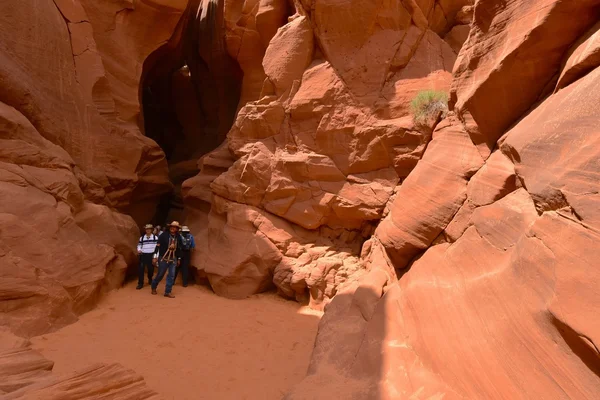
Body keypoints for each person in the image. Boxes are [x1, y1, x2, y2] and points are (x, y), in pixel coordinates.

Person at [151, 221, 183, 298]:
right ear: (169, 227)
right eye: (172, 226)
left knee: (171, 275)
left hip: (173, 258)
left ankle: (167, 292)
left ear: (177, 229)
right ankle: (154, 286)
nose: (173, 228)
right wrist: (155, 256)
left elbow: (179, 248)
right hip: (163, 257)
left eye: (175, 227)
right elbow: (157, 246)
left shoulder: (178, 237)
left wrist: (178, 258)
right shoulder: (163, 235)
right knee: (160, 274)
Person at [136, 224, 158, 290]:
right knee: (141, 269)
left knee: (150, 269)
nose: (148, 230)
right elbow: (139, 245)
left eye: (149, 229)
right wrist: (139, 250)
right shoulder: (142, 238)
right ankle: (140, 283)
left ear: (151, 230)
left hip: (151, 255)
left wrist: (155, 256)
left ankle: (150, 278)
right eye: (146, 229)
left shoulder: (155, 238)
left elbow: (157, 248)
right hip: (143, 255)